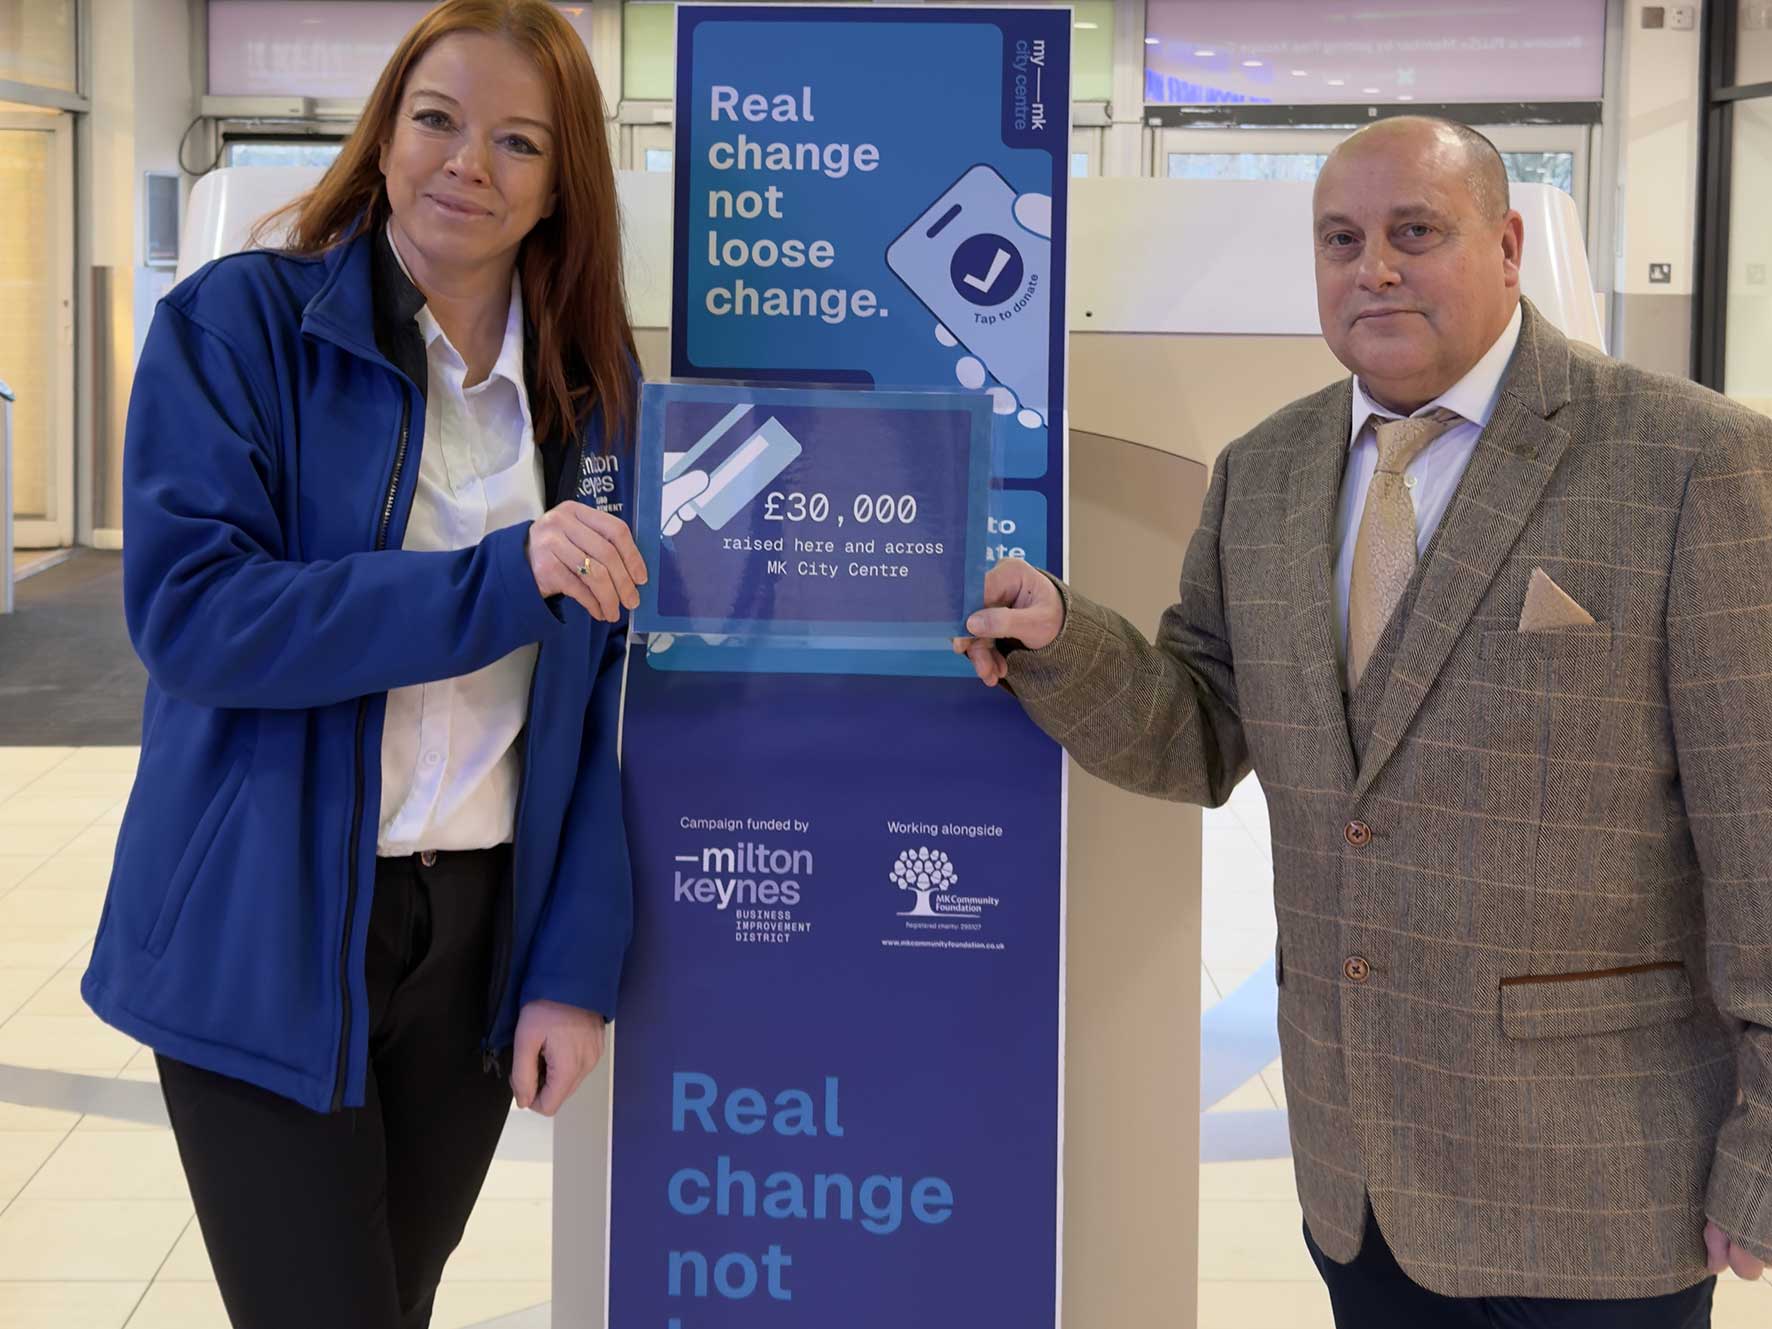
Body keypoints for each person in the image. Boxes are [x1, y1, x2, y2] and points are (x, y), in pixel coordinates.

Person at [959, 116, 1772, 1326]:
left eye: (1412, 233)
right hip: (1361, 1174)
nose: (1371, 268)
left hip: (1600, 1178)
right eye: (1339, 240)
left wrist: (1762, 1148)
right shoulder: (1265, 472)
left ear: (1505, 246)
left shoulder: (1689, 462)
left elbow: (1758, 824)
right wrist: (1064, 644)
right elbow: (1200, 729)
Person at [80, 3, 642, 1324]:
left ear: (563, 186)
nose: (467, 162)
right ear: (384, 129)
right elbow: (199, 616)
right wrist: (499, 578)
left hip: (475, 943)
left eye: (518, 140)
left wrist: (572, 963)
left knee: (393, 1299)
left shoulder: (589, 388)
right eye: (437, 118)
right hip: (265, 922)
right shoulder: (239, 327)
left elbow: (601, 707)